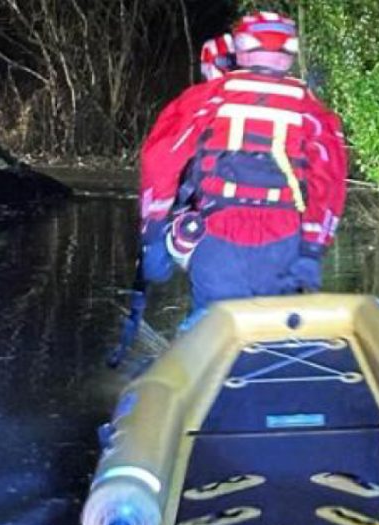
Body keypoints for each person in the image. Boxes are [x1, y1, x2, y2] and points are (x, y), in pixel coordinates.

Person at [138, 10, 348, 312]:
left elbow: (159, 160)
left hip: (218, 236)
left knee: (211, 320)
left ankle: (205, 348)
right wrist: (313, 248)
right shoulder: (312, 110)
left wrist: (153, 233)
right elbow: (330, 180)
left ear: (242, 49)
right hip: (283, 242)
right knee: (274, 332)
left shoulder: (208, 98)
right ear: (289, 54)